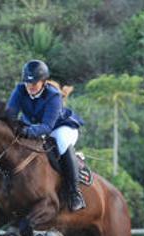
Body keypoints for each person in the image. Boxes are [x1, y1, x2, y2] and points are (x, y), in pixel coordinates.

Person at [6, 59, 86, 211]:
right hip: (32, 126)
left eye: (34, 83)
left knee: (61, 142)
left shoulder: (53, 95)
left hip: (60, 127)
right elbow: (10, 114)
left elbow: (47, 127)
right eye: (28, 83)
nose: (30, 87)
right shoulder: (20, 90)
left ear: (43, 82)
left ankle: (75, 193)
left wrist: (26, 131)